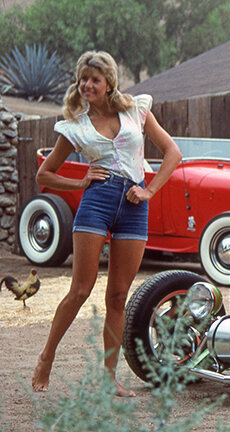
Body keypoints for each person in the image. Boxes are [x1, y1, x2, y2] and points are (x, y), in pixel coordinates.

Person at [31, 50, 182, 396]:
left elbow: (173, 153)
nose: (87, 85)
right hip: (96, 202)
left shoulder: (136, 110)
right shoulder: (75, 126)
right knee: (80, 290)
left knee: (117, 296)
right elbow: (45, 173)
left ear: (109, 82)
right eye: (83, 79)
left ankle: (107, 379)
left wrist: (149, 190)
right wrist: (81, 182)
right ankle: (47, 356)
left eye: (94, 79)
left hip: (133, 205)